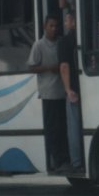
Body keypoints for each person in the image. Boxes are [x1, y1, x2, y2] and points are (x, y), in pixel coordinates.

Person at [28, 14, 69, 171]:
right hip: (48, 93)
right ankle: (56, 160)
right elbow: (31, 66)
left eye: (56, 26)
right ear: (45, 27)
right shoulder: (38, 45)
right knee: (53, 129)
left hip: (61, 92)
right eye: (51, 26)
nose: (54, 29)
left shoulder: (60, 43)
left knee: (62, 127)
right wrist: (49, 68)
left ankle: (64, 158)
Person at [58, 12, 84, 173]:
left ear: (73, 21)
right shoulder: (86, 36)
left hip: (73, 89)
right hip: (88, 87)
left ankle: (76, 162)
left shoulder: (65, 41)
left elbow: (64, 67)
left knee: (74, 127)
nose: (65, 22)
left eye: (67, 19)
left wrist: (68, 90)